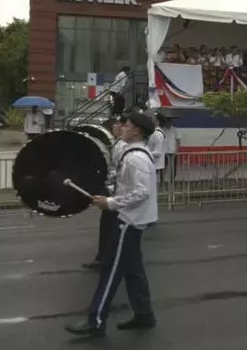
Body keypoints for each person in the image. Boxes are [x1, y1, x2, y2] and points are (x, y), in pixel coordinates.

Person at [65, 112, 158, 337]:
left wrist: (111, 202)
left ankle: (95, 321)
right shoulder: (132, 153)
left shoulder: (136, 158)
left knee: (110, 271)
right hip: (131, 220)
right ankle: (144, 315)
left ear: (136, 130)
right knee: (133, 272)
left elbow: (141, 192)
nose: (121, 127)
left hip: (127, 222)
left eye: (125, 125)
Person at [83, 118, 125, 271]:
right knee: (106, 228)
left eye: (119, 124)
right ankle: (103, 258)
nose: (114, 126)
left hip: (114, 195)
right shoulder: (117, 144)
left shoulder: (123, 147)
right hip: (111, 193)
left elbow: (119, 173)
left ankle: (107, 261)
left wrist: (110, 195)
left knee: (111, 230)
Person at [147, 113, 166, 184]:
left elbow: (158, 152)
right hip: (152, 164)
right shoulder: (154, 132)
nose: (150, 120)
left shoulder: (157, 134)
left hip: (155, 164)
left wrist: (144, 152)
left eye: (152, 119)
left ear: (157, 122)